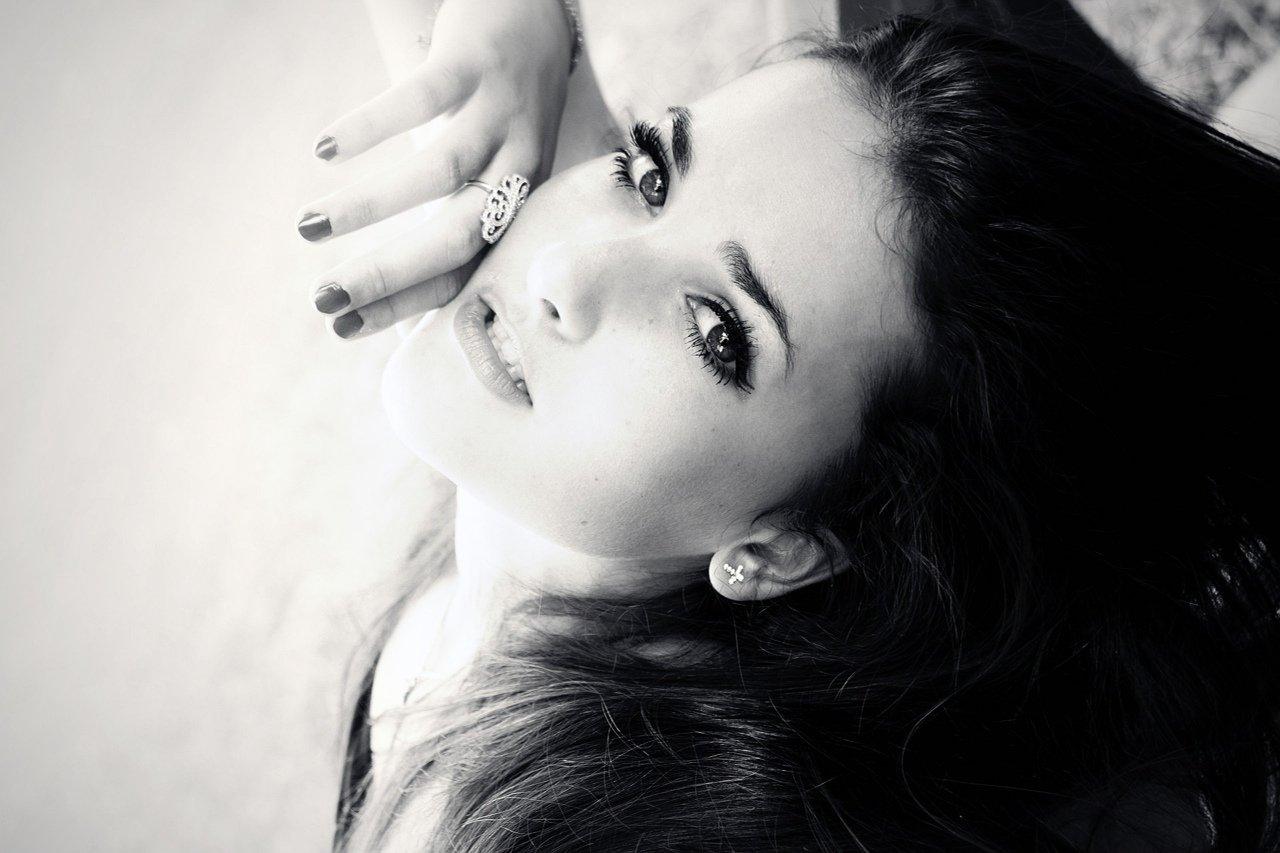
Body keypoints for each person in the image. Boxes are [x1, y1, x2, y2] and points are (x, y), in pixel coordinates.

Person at [297, 2, 1280, 849]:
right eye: (649, 174)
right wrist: (513, 25)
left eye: (716, 331)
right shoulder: (571, 399)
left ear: (784, 547)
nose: (561, 268)